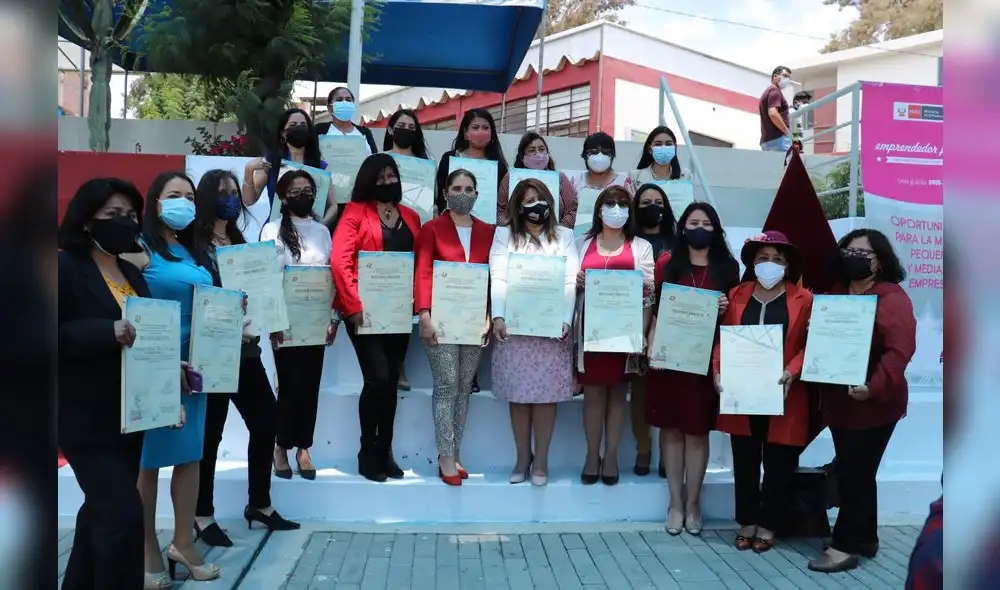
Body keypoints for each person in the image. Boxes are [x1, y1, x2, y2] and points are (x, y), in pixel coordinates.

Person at [58, 177, 186, 590]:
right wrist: (103, 331)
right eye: (113, 214)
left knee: (100, 513)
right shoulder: (63, 268)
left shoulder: (131, 271)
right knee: (123, 516)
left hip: (129, 416)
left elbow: (145, 336)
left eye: (131, 215)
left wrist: (171, 369)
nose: (125, 223)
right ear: (86, 220)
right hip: (83, 417)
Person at [192, 169, 300, 548]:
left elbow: (259, 292)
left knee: (267, 421)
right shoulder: (193, 245)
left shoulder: (239, 240)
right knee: (211, 434)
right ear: (207, 196)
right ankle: (202, 514)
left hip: (246, 350)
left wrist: (272, 322)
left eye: (234, 192)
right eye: (222, 192)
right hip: (213, 353)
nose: (230, 198)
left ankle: (260, 503)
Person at [126, 171, 220, 585]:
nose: (184, 202)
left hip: (196, 369)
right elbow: (124, 303)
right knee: (146, 464)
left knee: (189, 456)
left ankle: (183, 542)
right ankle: (147, 549)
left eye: (190, 196)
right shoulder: (137, 247)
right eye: (174, 194)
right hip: (152, 366)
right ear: (156, 201)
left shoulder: (194, 249)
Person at [808, 228, 916, 573]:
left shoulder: (891, 297)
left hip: (875, 402)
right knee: (858, 470)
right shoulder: (836, 293)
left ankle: (845, 546)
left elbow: (899, 351)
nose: (852, 258)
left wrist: (873, 387)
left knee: (855, 473)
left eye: (862, 253)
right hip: (841, 402)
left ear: (880, 261)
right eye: (848, 251)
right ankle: (866, 537)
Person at [712, 231, 813, 552]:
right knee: (745, 459)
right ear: (753, 263)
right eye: (763, 258)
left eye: (777, 259)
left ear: (788, 265)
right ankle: (747, 520)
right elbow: (723, 339)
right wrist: (718, 370)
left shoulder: (805, 299)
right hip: (743, 391)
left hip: (784, 392)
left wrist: (791, 371)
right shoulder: (736, 295)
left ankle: (769, 523)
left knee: (778, 462)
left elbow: (811, 345)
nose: (770, 264)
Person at [645, 202, 739, 535]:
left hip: (705, 360)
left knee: (697, 432)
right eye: (693, 222)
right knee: (671, 429)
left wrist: (726, 307)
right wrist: (651, 343)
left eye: (706, 223)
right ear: (682, 227)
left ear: (716, 229)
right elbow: (656, 309)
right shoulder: (667, 264)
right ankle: (675, 502)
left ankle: (694, 502)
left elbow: (736, 316)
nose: (700, 228)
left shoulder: (728, 268)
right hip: (670, 358)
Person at [331, 153, 422, 482]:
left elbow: (419, 263)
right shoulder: (355, 213)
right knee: (377, 379)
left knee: (391, 382)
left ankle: (386, 450)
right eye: (380, 178)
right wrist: (352, 305)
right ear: (368, 182)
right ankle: (367, 450)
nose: (387, 182)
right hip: (363, 312)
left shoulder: (411, 216)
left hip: (399, 312)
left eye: (391, 176)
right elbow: (340, 260)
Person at [490, 179, 578, 486]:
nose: (535, 205)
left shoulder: (565, 236)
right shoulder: (503, 235)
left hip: (552, 331)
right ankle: (522, 457)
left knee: (545, 397)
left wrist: (566, 320)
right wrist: (498, 315)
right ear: (517, 206)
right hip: (514, 329)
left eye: (540, 199)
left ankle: (541, 460)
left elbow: (570, 280)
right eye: (528, 200)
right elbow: (498, 276)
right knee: (518, 396)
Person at [414, 169, 495, 485]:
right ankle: (445, 455)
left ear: (477, 194)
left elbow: (491, 277)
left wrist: (488, 315)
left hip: (474, 321)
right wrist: (424, 315)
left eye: (469, 189)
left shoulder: (488, 231)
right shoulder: (432, 229)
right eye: (457, 188)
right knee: (447, 385)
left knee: (463, 387)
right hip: (440, 320)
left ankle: (455, 451)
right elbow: (422, 272)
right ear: (445, 193)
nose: (463, 194)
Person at [574, 185, 654, 486]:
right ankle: (591, 455)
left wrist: (642, 335)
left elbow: (648, 294)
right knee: (593, 394)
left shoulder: (641, 247)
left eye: (622, 204)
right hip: (590, 333)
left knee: (619, 394)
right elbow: (567, 284)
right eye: (610, 203)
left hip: (625, 335)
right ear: (599, 210)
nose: (616, 209)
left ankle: (610, 457)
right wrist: (576, 281)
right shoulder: (582, 243)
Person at [261, 169, 337, 481]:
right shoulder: (271, 230)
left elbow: (331, 277)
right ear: (282, 197)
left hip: (316, 320)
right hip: (285, 321)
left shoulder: (322, 231)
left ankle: (304, 446)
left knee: (310, 384)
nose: (303, 196)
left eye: (308, 191)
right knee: (289, 385)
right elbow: (266, 277)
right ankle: (280, 445)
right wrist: (272, 320)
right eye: (295, 192)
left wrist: (333, 318)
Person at [629, 183, 677, 477]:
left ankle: (665, 453)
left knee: (668, 392)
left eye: (658, 202)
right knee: (640, 392)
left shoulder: (677, 243)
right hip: (634, 322)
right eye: (645, 202)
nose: (652, 207)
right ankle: (643, 449)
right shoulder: (628, 242)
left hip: (671, 323)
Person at [382, 107, 432, 392]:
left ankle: (399, 365)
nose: (406, 131)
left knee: (405, 300)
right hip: (383, 233)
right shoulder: (378, 161)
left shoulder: (425, 166)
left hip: (413, 232)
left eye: (412, 127)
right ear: (390, 129)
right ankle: (383, 365)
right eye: (401, 125)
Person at [242, 108, 338, 227]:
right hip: (276, 230)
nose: (298, 128)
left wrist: (320, 226)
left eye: (303, 125)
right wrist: (249, 170)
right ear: (282, 132)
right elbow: (249, 200)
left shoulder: (321, 166)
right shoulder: (271, 162)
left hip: (310, 231)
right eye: (293, 125)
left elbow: (333, 206)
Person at [435, 108, 509, 219]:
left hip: (487, 225)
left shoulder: (499, 166)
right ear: (465, 133)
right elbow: (440, 194)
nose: (480, 132)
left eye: (485, 128)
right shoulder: (450, 158)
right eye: (475, 127)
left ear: (492, 132)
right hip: (451, 221)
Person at [496, 131, 578, 229]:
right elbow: (500, 210)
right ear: (522, 157)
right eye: (532, 150)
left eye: (541, 149)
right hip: (517, 235)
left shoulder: (560, 178)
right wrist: (509, 228)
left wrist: (559, 230)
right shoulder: (510, 177)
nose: (538, 154)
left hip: (554, 235)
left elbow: (573, 210)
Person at [568, 132, 634, 236]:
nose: (600, 156)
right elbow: (567, 212)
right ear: (585, 155)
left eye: (605, 152)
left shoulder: (624, 183)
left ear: (612, 156)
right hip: (578, 239)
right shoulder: (575, 181)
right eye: (594, 152)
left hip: (615, 239)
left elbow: (631, 214)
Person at [315, 86, 379, 154]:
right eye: (339, 100)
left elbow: (375, 158)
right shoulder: (319, 130)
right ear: (330, 108)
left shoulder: (365, 132)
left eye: (348, 100)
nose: (344, 102)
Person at [759, 66, 793, 152]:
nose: (787, 79)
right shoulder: (775, 91)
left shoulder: (768, 91)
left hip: (768, 140)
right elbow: (773, 113)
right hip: (778, 140)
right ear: (775, 76)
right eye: (785, 76)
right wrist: (787, 132)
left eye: (789, 78)